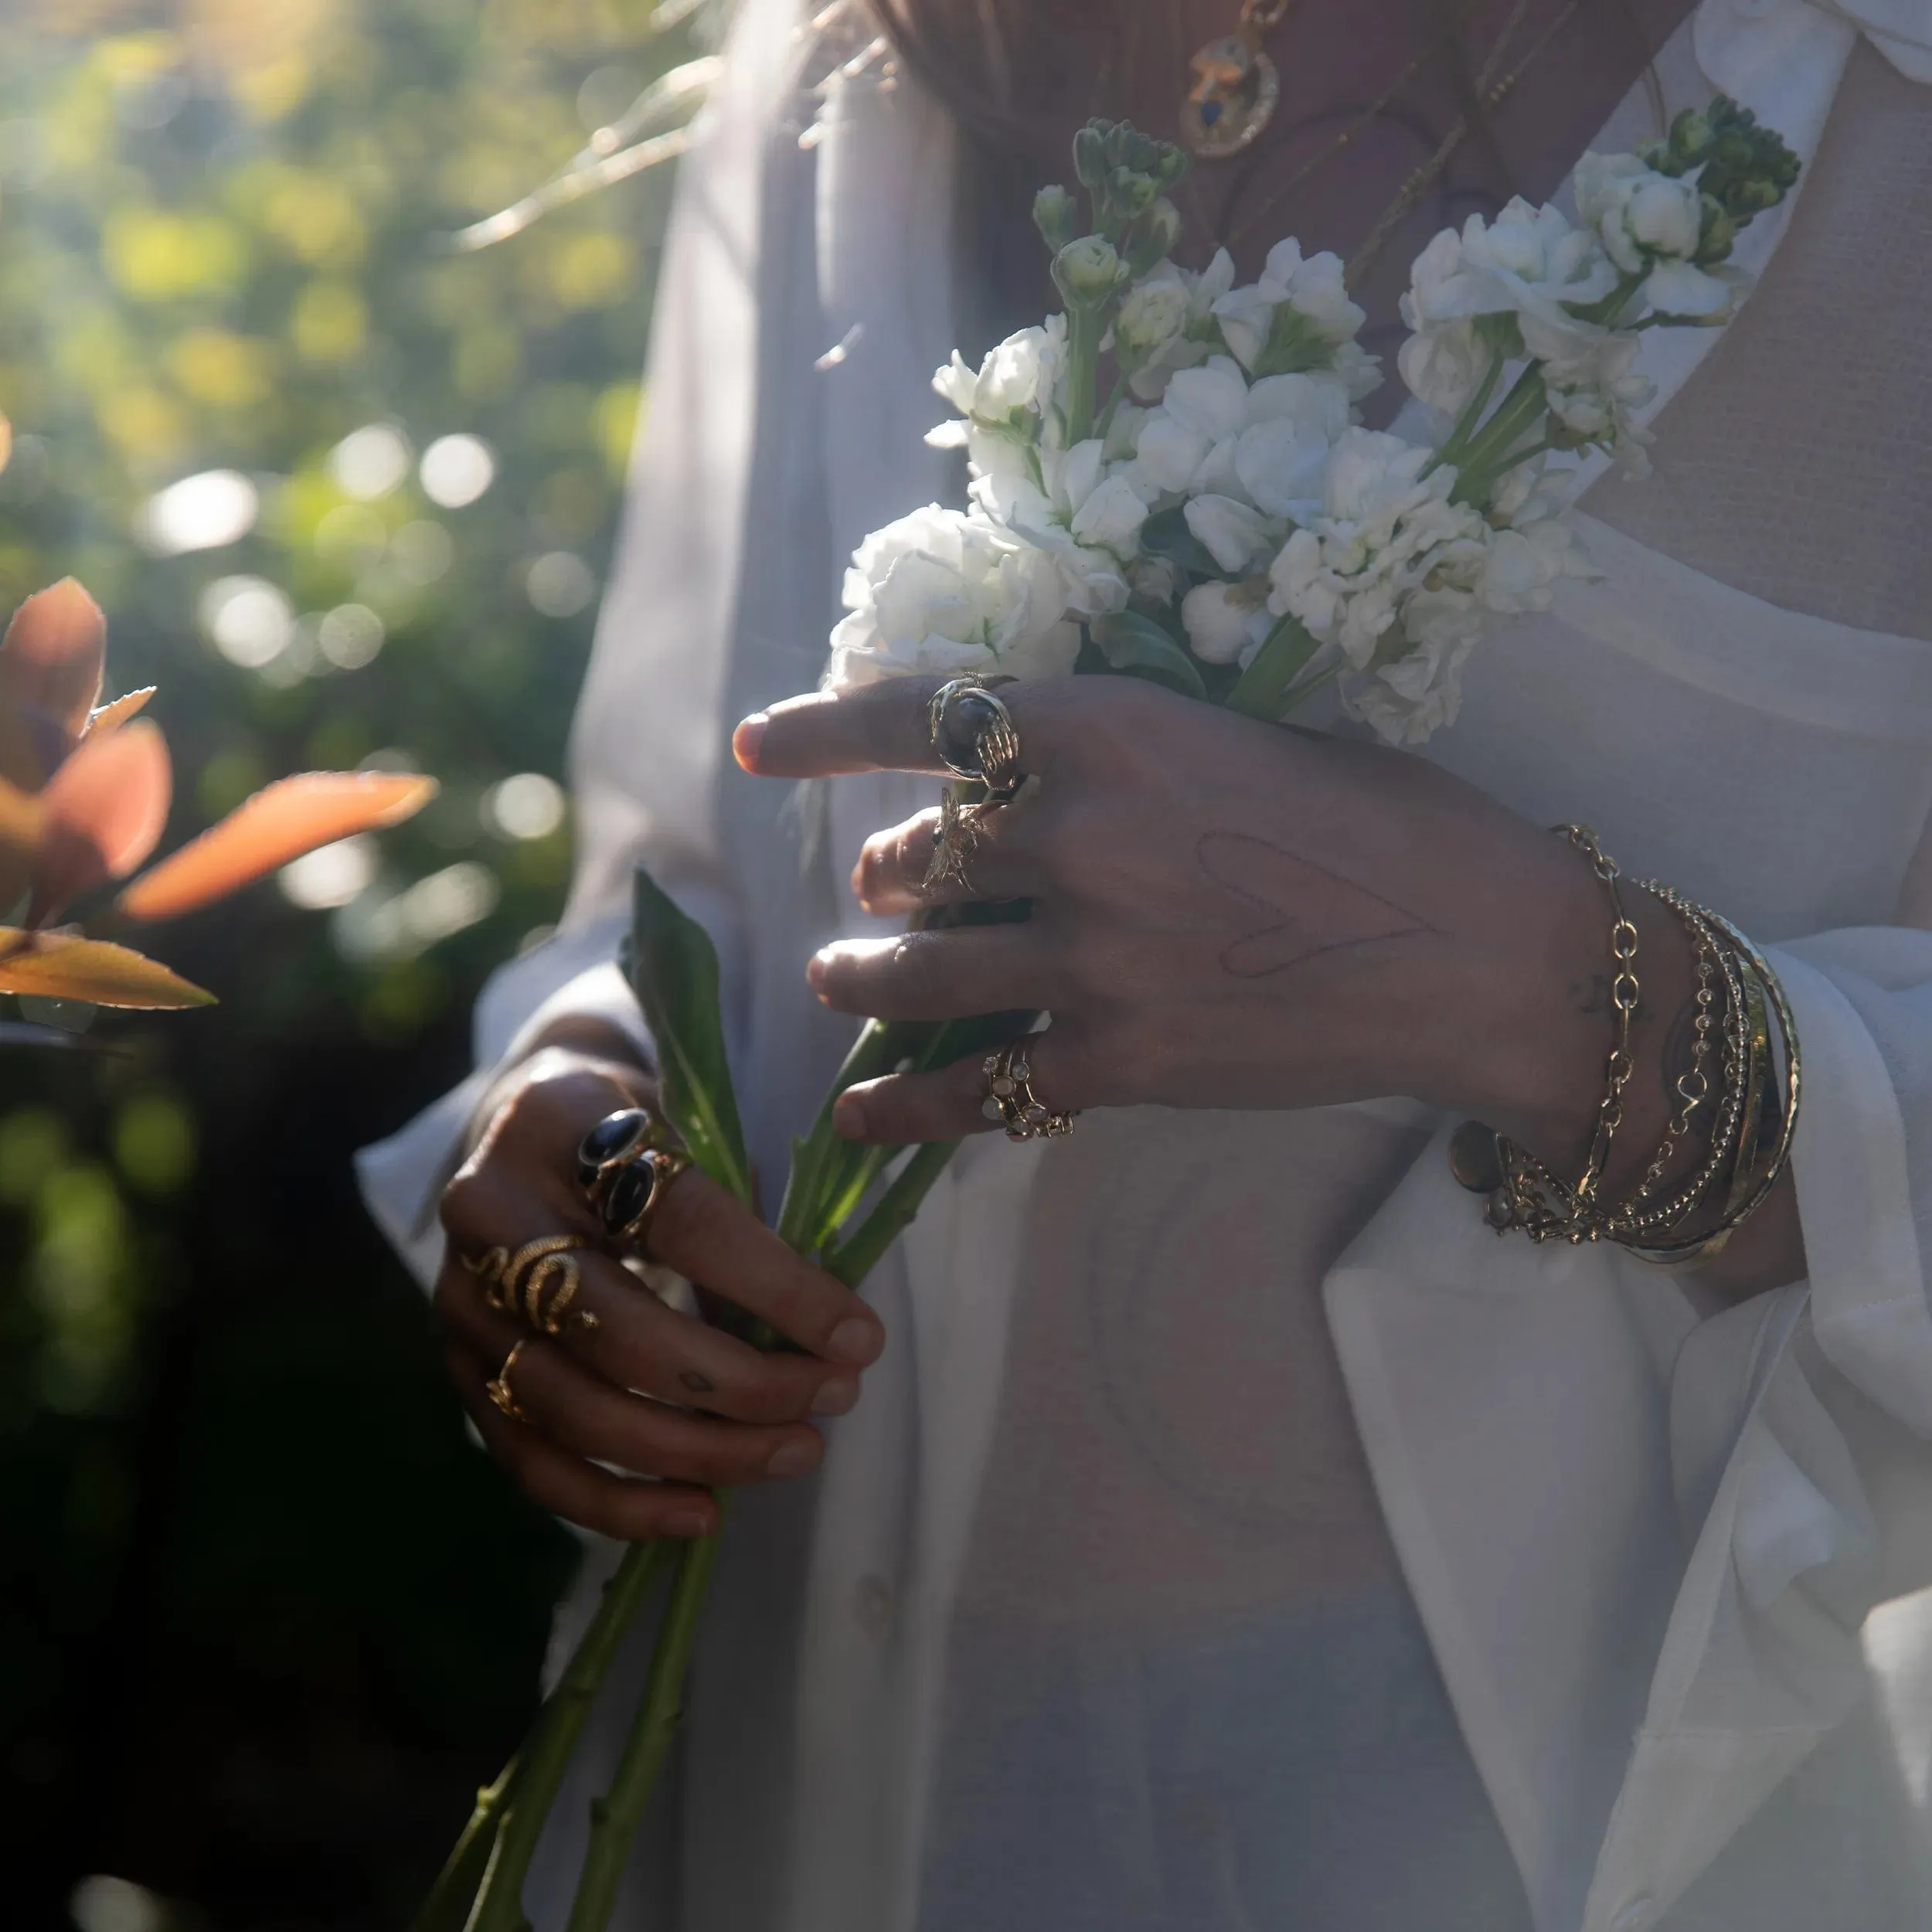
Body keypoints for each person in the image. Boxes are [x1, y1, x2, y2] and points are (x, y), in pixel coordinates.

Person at [359, 1, 1932, 1926]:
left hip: (1539, 1840)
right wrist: (578, 1106)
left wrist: (1556, 986)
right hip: (756, 1799)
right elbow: (683, 848)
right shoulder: (874, 59)